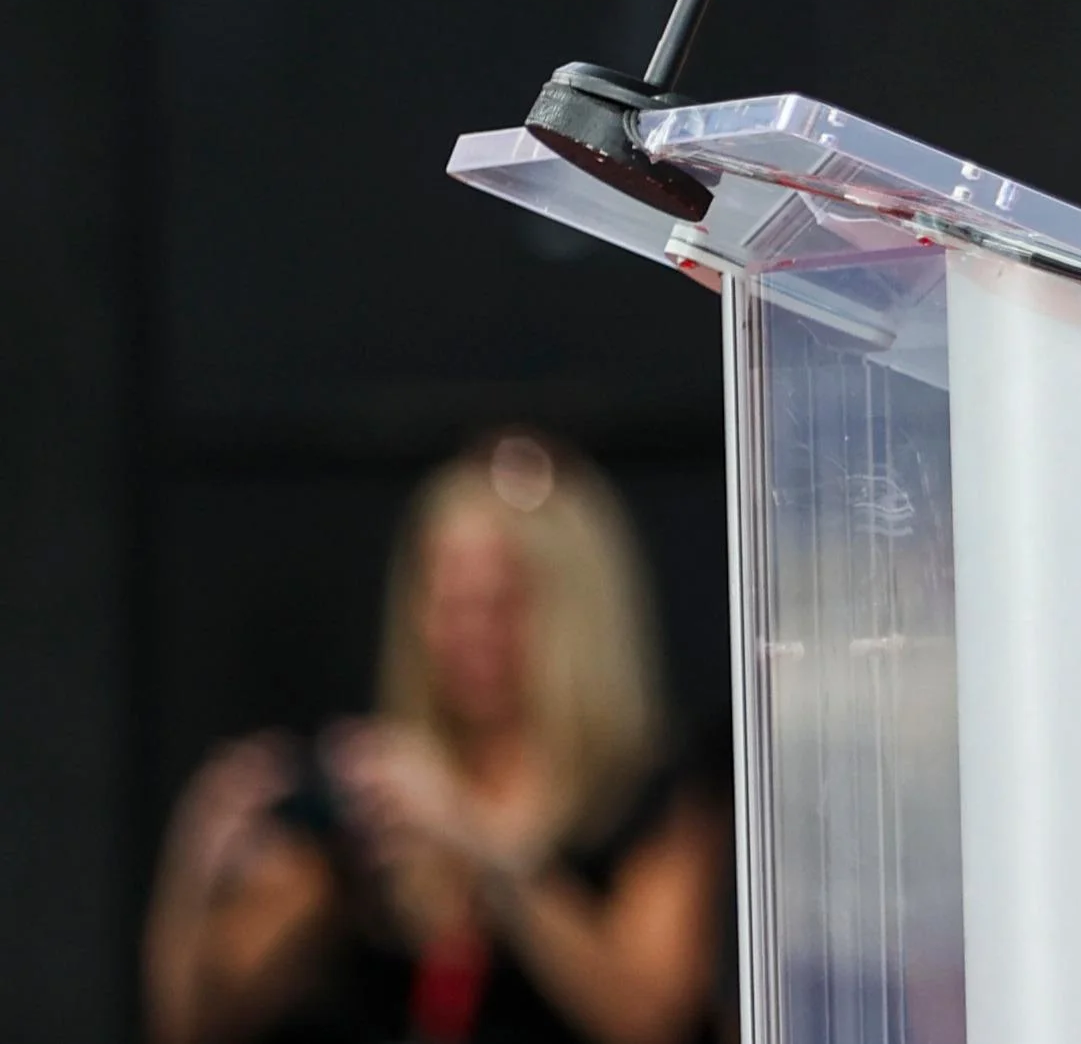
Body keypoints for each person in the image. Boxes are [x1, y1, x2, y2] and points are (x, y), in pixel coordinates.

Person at [141, 433, 720, 1044]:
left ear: (568, 615)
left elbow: (652, 1018)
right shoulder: (382, 809)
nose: (469, 633)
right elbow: (197, 1021)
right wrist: (192, 875)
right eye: (448, 604)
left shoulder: (643, 796)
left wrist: (484, 851)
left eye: (498, 604)